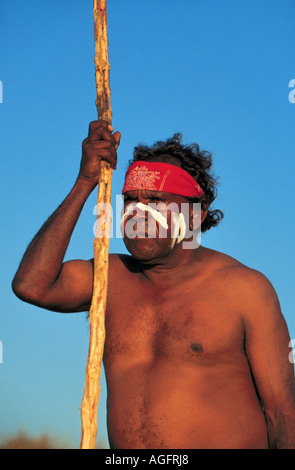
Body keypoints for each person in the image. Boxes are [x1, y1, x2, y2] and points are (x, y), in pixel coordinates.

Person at [12, 120, 295, 449]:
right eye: (131, 200)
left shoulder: (243, 289)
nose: (139, 213)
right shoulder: (108, 276)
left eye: (156, 201)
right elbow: (31, 286)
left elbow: (283, 412)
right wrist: (85, 181)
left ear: (196, 214)